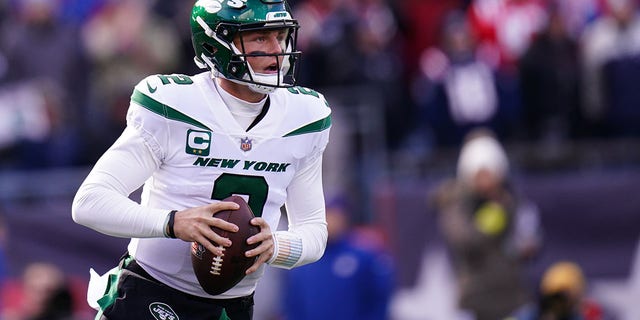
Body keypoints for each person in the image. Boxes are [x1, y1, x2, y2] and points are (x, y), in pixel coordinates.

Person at [71, 1, 332, 319]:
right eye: (260, 38)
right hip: (149, 294)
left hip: (232, 308)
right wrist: (173, 223)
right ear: (217, 45)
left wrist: (275, 246)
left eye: (281, 35)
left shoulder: (305, 116)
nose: (277, 49)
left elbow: (314, 233)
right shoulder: (173, 104)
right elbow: (89, 202)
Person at [432, 128, 541, 320]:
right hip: (475, 301)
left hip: (513, 299)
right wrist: (494, 219)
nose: (487, 181)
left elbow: (529, 239)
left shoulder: (512, 200)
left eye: (491, 173)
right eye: (481, 174)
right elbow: (465, 241)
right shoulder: (456, 204)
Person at [281, 198, 395, 320]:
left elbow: (379, 298)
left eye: (333, 215)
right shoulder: (304, 257)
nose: (329, 221)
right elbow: (292, 301)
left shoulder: (363, 253)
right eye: (325, 216)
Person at [508, 261, 606, 320]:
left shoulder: (586, 315)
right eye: (554, 297)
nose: (558, 305)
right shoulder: (528, 315)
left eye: (564, 298)